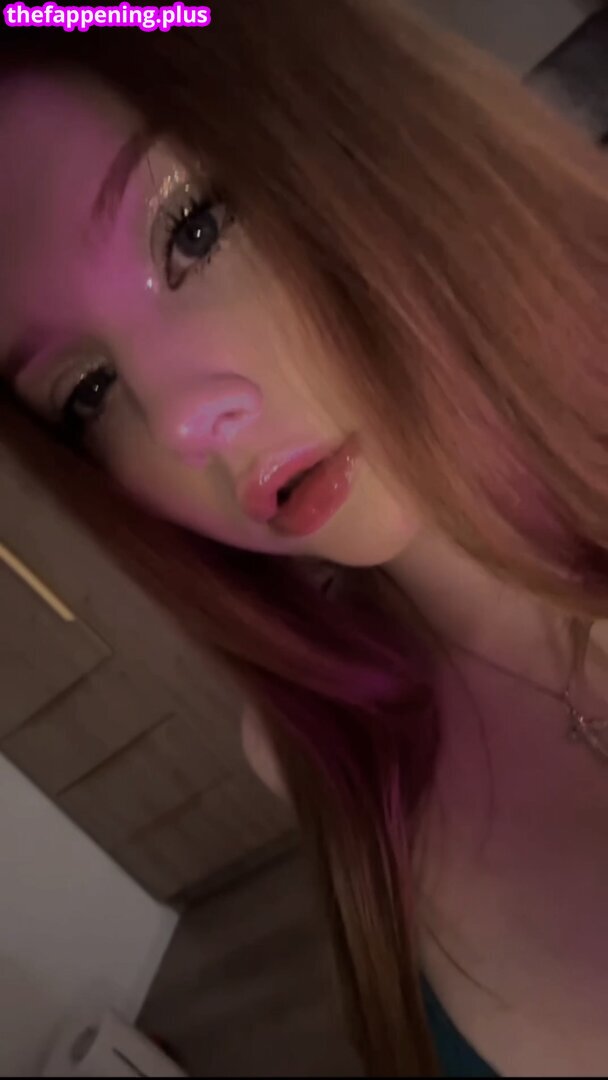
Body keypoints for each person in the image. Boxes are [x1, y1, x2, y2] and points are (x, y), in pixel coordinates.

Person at [1, 2, 608, 1075]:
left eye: (193, 231)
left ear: (350, 117)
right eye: (87, 391)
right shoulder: (310, 750)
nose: (180, 422)